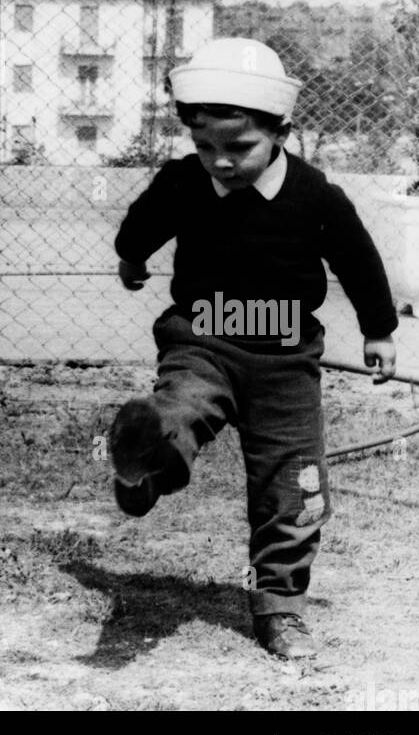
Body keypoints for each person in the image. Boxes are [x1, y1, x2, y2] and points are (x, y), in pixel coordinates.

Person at [109, 37, 398, 659]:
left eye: (238, 147)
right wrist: (132, 257)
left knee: (293, 484)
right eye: (204, 146)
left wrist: (379, 329)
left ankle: (280, 607)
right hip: (203, 339)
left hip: (286, 362)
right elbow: (143, 222)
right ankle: (144, 465)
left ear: (281, 132)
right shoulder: (184, 182)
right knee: (178, 409)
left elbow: (359, 260)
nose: (220, 162)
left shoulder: (315, 195)